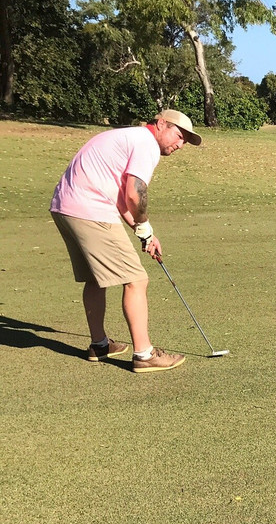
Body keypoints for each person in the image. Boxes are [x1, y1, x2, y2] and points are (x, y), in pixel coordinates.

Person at [50, 109, 202, 373]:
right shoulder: (146, 143)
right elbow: (134, 194)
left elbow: (121, 197)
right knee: (137, 279)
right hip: (90, 209)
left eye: (185, 141)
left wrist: (144, 232)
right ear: (161, 123)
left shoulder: (128, 137)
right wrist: (143, 225)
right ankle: (144, 354)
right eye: (178, 136)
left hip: (66, 207)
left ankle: (99, 345)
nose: (180, 144)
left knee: (97, 278)